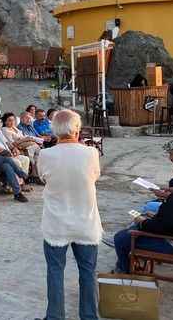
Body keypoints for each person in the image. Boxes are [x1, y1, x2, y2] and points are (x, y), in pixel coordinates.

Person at [38, 109, 101, 320]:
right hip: (85, 221)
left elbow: (43, 178)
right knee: (88, 272)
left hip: (56, 222)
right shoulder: (91, 153)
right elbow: (94, 177)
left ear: (55, 130)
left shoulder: (45, 154)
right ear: (77, 129)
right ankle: (89, 316)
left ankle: (55, 317)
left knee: (55, 271)